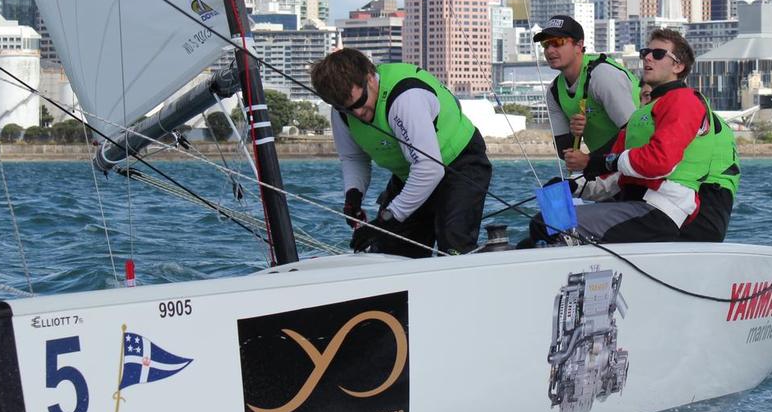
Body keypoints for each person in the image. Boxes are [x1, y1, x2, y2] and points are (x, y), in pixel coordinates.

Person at [526, 28, 739, 244]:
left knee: (547, 224)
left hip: (663, 211)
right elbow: (615, 177)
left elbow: (659, 162)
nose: (647, 57)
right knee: (542, 226)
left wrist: (607, 161)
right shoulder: (641, 116)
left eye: (658, 54)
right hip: (636, 206)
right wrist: (576, 185)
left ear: (678, 66)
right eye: (646, 52)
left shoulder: (684, 100)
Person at [309, 49, 492, 257]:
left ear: (370, 78)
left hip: (460, 165)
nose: (357, 114)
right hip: (411, 174)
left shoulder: (405, 98)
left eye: (359, 103)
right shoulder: (342, 109)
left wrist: (389, 218)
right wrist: (353, 195)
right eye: (347, 110)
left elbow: (429, 169)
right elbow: (354, 157)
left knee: (453, 245)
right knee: (389, 251)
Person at [535, 15, 639, 173]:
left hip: (639, 163)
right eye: (546, 44)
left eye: (557, 42)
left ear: (579, 45)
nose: (549, 50)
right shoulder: (554, 92)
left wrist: (590, 160)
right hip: (608, 166)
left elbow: (634, 134)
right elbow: (565, 151)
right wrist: (573, 132)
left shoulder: (602, 75)